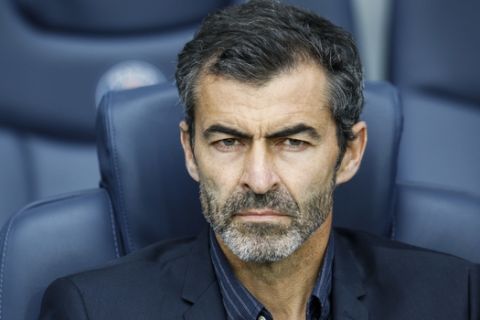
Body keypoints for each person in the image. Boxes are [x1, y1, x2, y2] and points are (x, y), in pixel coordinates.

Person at [39, 1, 479, 319]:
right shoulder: (91, 310)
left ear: (349, 153)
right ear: (190, 151)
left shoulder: (455, 298)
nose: (259, 179)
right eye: (228, 142)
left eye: (292, 142)